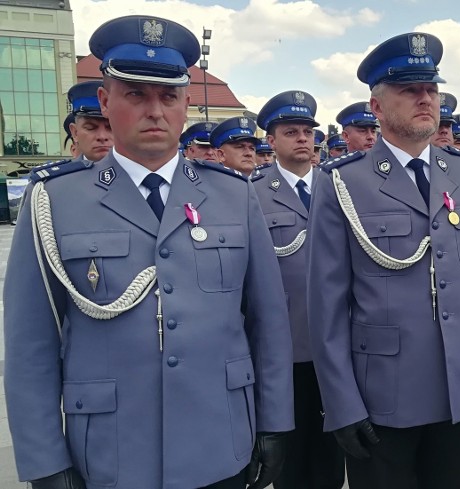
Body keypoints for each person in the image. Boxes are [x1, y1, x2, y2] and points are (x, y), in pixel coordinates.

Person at [4, 14, 294, 489]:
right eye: (136, 94)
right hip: (111, 453)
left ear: (184, 105)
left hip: (219, 440)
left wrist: (275, 422)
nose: (155, 111)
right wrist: (43, 460)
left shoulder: (234, 196)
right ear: (105, 99)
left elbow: (268, 323)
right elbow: (30, 346)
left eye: (168, 96)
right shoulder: (54, 201)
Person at [307, 32, 460, 489]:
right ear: (376, 108)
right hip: (383, 395)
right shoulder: (342, 183)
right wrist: (341, 403)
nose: (425, 99)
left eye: (431, 89)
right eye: (409, 90)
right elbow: (327, 306)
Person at [254, 90, 346, 489]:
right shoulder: (253, 192)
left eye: (308, 131)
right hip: (287, 345)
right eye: (290, 132)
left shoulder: (340, 186)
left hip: (340, 343)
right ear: (271, 141)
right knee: (290, 457)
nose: (303, 139)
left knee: (333, 452)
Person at [67, 81, 113, 162]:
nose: (102, 137)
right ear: (75, 133)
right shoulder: (64, 174)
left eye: (111, 128)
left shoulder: (139, 173)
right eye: (91, 128)